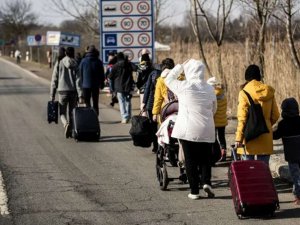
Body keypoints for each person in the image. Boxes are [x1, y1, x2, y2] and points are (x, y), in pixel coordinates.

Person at [165, 59, 217, 200]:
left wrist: (180, 66)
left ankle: (194, 191)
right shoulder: (209, 88)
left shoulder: (184, 86)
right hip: (207, 129)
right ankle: (206, 182)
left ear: (188, 71)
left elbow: (168, 79)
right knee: (206, 159)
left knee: (190, 160)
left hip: (188, 130)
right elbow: (214, 109)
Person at [235, 64, 279, 164]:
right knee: (263, 171)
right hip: (265, 135)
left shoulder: (244, 93)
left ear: (246, 77)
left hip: (249, 137)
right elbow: (276, 115)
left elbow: (242, 118)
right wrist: (265, 124)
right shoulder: (269, 91)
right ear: (259, 76)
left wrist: (238, 138)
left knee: (248, 170)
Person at [50, 47, 83, 138]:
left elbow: (54, 79)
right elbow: (78, 81)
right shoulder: (76, 64)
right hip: (73, 92)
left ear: (65, 53)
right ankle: (72, 131)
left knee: (62, 112)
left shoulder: (59, 62)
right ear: (73, 53)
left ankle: (65, 124)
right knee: (72, 112)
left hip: (62, 91)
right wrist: (80, 95)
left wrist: (52, 94)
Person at [273, 98, 300, 205]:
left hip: (292, 155)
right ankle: (297, 192)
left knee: (296, 175)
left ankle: (298, 196)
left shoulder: (283, 124)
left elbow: (275, 136)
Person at [109, 52, 134, 123]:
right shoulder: (128, 64)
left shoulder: (115, 66)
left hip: (118, 87)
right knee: (128, 101)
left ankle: (124, 117)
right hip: (128, 86)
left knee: (121, 102)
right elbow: (135, 68)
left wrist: (112, 88)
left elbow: (110, 77)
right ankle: (128, 116)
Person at [79, 45, 105, 116]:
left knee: (87, 102)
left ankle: (89, 117)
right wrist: (102, 83)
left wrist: (81, 85)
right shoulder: (99, 61)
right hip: (95, 85)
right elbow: (102, 74)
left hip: (85, 85)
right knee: (95, 102)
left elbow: (80, 74)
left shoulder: (83, 61)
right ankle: (96, 116)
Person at [207, 76, 228, 162]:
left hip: (215, 120)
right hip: (222, 120)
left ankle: (215, 153)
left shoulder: (211, 94)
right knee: (222, 137)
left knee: (214, 138)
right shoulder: (222, 93)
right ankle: (224, 153)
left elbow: (212, 108)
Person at [141, 64, 161, 153]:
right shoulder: (168, 75)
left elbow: (147, 89)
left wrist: (144, 102)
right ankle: (164, 145)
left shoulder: (152, 74)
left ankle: (155, 146)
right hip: (164, 104)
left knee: (153, 126)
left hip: (151, 103)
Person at [152, 58, 176, 123]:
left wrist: (155, 113)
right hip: (180, 107)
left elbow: (158, 98)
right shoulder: (180, 77)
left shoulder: (160, 80)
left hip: (166, 108)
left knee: (166, 129)